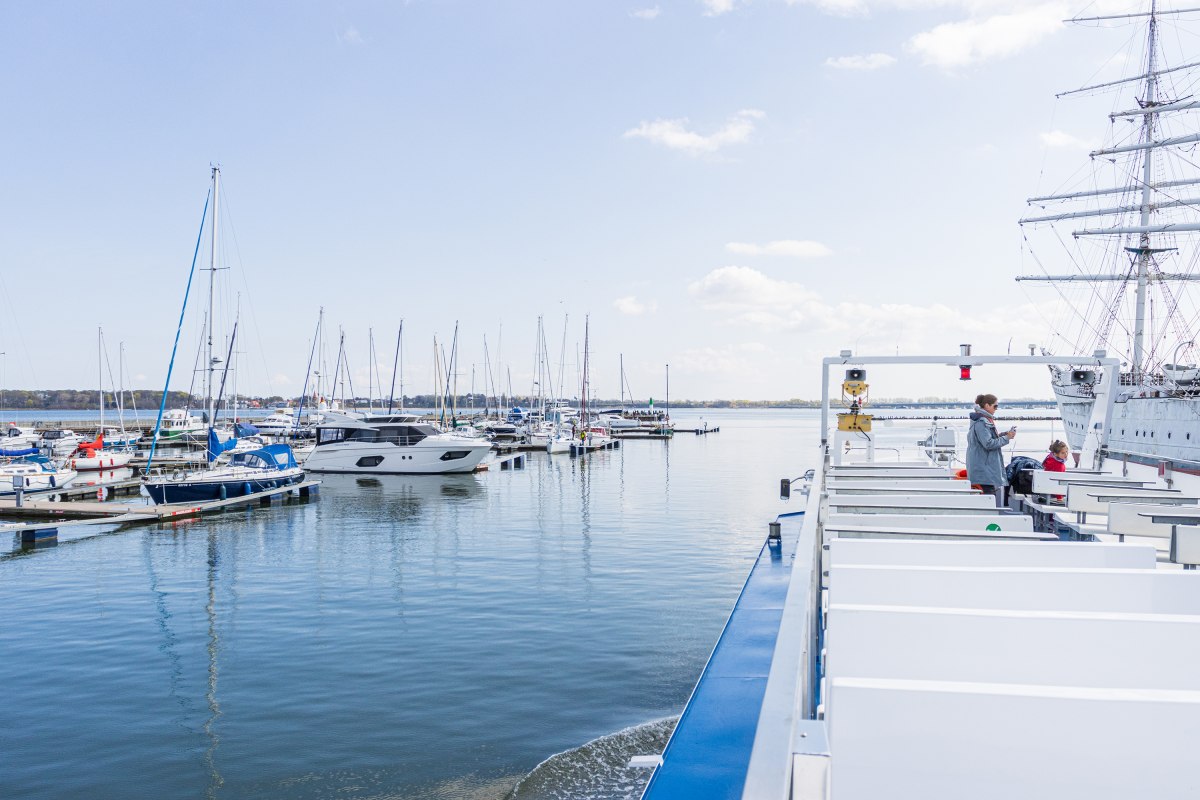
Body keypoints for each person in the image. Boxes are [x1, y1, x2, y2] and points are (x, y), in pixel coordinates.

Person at [966, 393, 1015, 506]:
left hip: (984, 467)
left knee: (988, 497)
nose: (996, 409)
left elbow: (988, 439)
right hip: (984, 469)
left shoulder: (982, 420)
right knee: (989, 499)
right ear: (987, 405)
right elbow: (988, 444)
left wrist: (1004, 435)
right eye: (995, 406)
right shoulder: (982, 422)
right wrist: (1006, 438)